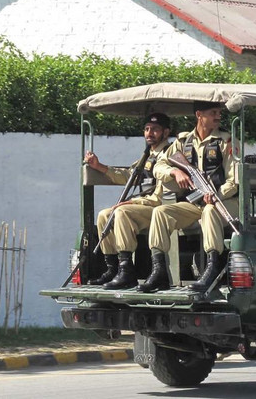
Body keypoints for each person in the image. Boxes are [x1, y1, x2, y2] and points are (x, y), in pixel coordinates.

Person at [137, 101, 238, 293]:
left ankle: (212, 267)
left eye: (219, 112)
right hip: (195, 203)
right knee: (161, 212)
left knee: (209, 211)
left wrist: (216, 195)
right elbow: (159, 166)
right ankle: (159, 271)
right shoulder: (183, 142)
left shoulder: (226, 141)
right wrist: (175, 171)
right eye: (213, 112)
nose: (218, 116)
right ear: (199, 115)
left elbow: (233, 182)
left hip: (226, 203)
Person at [85, 112, 172, 290]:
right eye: (147, 129)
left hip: (161, 209)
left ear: (165, 132)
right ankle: (113, 268)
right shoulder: (148, 155)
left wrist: (133, 203)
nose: (149, 133)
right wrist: (99, 166)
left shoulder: (169, 153)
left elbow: (159, 198)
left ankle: (127, 272)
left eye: (155, 129)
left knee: (122, 211)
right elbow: (129, 176)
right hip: (145, 206)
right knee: (104, 215)